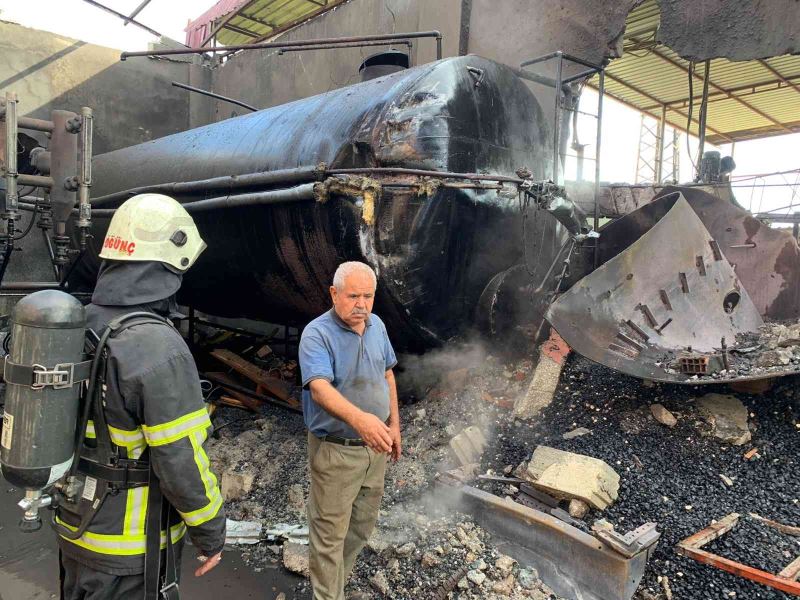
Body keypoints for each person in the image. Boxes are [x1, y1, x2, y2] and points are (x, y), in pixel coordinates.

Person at [57, 193, 225, 599]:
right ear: (169, 264)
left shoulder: (77, 322)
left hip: (75, 528)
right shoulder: (156, 346)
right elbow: (179, 458)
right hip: (131, 551)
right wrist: (211, 531)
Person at [299, 261, 401, 600]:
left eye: (368, 296)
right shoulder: (317, 333)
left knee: (360, 527)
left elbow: (387, 375)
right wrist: (363, 421)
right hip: (336, 450)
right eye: (353, 295)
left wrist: (394, 425)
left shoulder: (377, 326)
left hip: (375, 450)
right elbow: (319, 389)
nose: (361, 304)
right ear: (334, 293)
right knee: (329, 535)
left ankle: (334, 589)